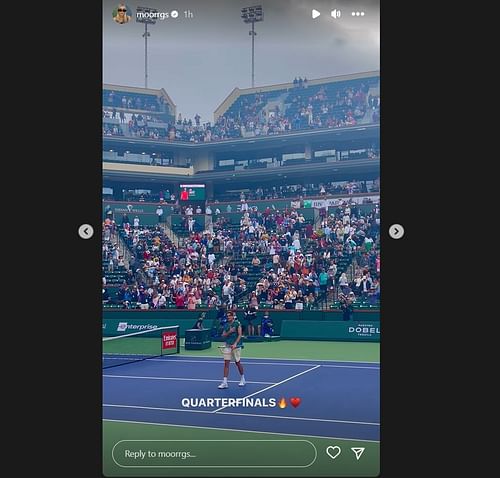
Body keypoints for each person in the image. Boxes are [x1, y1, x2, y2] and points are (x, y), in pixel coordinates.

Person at [218, 311, 245, 389]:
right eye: (227, 316)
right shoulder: (226, 325)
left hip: (236, 346)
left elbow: (240, 335)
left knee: (237, 363)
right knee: (226, 363)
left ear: (233, 316)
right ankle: (225, 382)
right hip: (227, 345)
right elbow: (223, 335)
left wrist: (235, 343)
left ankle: (242, 378)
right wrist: (229, 332)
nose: (228, 317)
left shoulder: (237, 324)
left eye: (229, 316)